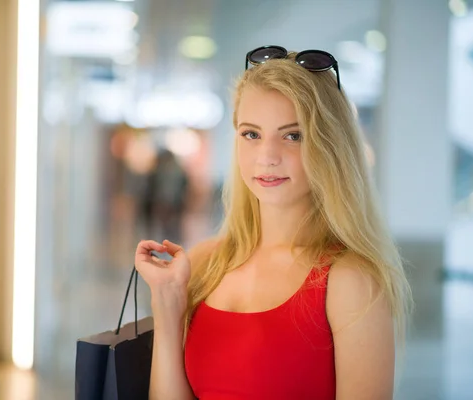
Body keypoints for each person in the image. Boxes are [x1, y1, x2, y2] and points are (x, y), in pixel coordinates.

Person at [135, 46, 412, 399]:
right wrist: (167, 302)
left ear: (329, 146)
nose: (267, 156)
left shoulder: (350, 281)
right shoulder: (205, 263)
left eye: (293, 135)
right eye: (251, 134)